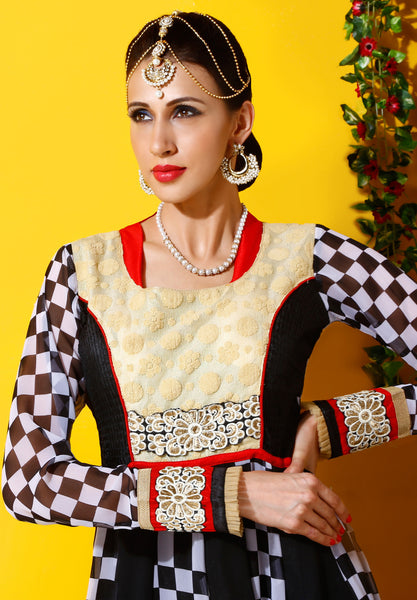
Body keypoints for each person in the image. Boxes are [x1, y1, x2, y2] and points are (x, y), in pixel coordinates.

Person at [2, 10, 416, 600]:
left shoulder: (307, 259)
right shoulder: (82, 274)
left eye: (185, 112)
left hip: (295, 575)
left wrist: (330, 425)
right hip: (143, 578)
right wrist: (231, 495)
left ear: (239, 122)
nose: (159, 142)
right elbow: (27, 480)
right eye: (142, 114)